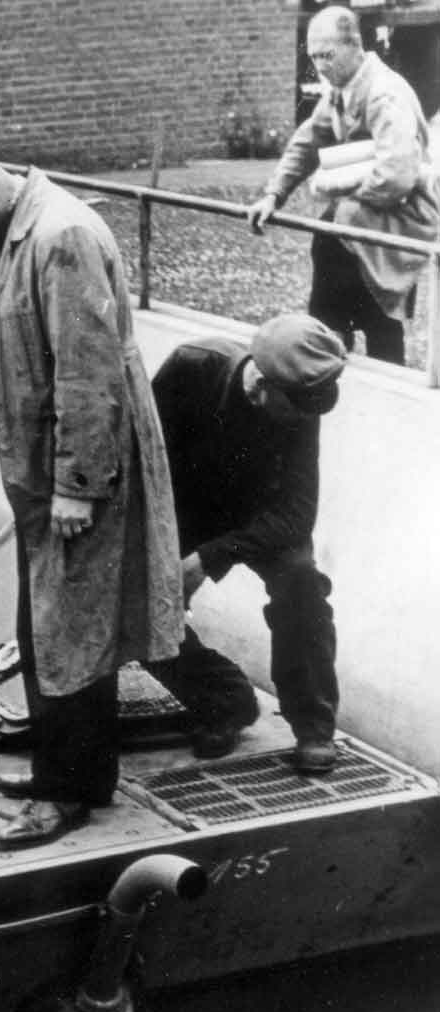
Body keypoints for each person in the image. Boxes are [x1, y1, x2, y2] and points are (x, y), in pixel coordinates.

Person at [0, 140, 183, 851]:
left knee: (72, 636)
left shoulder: (63, 237)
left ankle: (69, 791)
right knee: (45, 629)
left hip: (83, 477)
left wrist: (76, 488)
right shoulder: (12, 227)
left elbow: (89, 375)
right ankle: (69, 770)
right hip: (45, 480)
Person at [149, 313, 347, 773]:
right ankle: (223, 700)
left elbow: (298, 513)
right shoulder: (191, 366)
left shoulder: (302, 400)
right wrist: (166, 557)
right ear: (261, 383)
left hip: (260, 521)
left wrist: (208, 559)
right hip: (182, 507)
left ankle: (314, 725)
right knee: (140, 605)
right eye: (294, 409)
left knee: (302, 585)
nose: (302, 421)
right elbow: (144, 457)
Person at [248, 6, 439, 366]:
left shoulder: (384, 94)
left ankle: (385, 389)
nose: (320, 65)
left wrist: (343, 192)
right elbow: (308, 141)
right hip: (364, 214)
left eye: (328, 55)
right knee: (330, 250)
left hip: (402, 214)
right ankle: (330, 347)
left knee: (380, 313)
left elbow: (397, 176)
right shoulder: (341, 88)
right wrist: (274, 194)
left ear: (354, 46)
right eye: (314, 56)